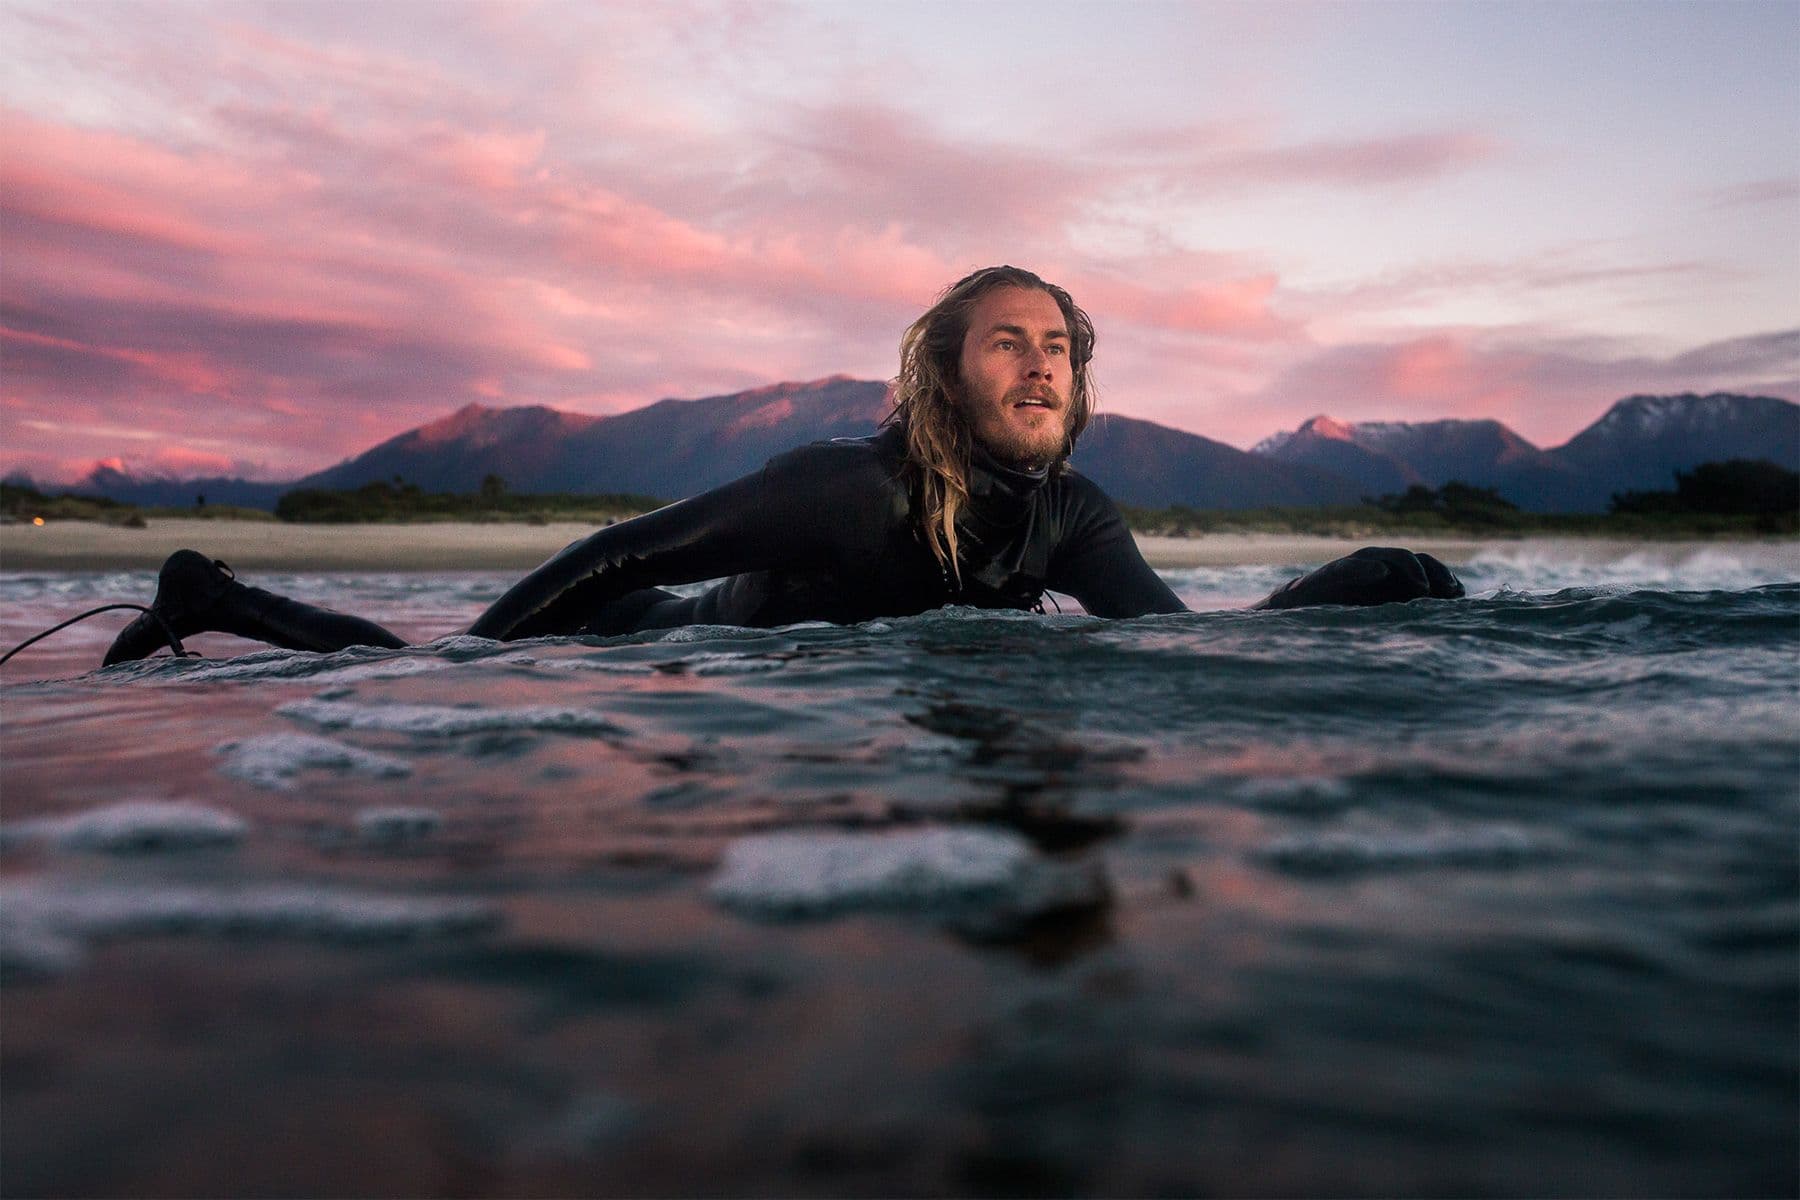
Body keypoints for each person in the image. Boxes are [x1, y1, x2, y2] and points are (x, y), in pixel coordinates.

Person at [102, 265, 1462, 667]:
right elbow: (613, 557)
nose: (1041, 366)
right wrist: (463, 677)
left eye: (1058, 347)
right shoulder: (846, 484)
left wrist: (1358, 585)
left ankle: (210, 597)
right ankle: (211, 590)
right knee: (421, 664)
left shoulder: (1071, 511)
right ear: (944, 374)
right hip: (646, 641)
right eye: (1007, 344)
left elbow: (1177, 654)